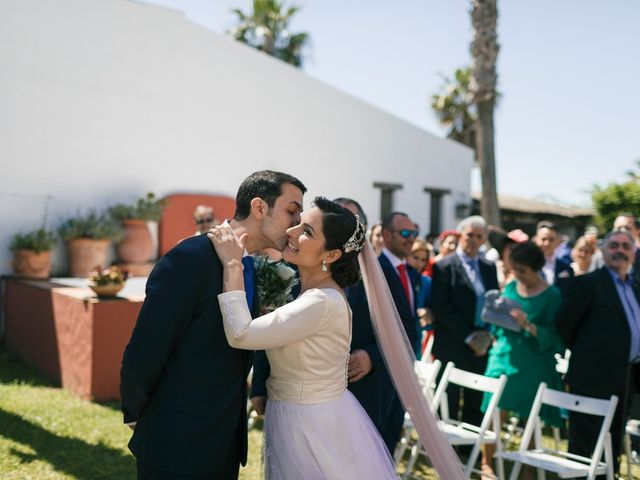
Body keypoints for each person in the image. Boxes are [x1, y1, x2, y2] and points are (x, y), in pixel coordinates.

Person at [119, 170, 306, 480]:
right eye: (292, 211)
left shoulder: (246, 263)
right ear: (260, 208)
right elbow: (145, 351)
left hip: (223, 445)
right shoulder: (189, 259)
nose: (296, 223)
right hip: (175, 444)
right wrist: (141, 417)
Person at [209, 197, 397, 478]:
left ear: (331, 255)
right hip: (296, 414)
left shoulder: (320, 302)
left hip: (311, 424)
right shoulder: (312, 294)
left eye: (306, 231)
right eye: (297, 223)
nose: (291, 232)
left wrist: (233, 264)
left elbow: (241, 334)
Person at [556, 230, 640, 476]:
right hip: (591, 378)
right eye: (614, 245)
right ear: (603, 251)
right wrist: (589, 354)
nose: (620, 250)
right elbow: (563, 322)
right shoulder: (588, 283)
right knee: (585, 445)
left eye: (626, 246)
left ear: (633, 254)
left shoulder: (634, 287)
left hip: (625, 377)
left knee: (613, 441)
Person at [480, 242, 564, 477]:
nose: (518, 275)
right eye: (515, 269)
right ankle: (488, 462)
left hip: (534, 361)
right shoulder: (510, 286)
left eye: (523, 271)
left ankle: (527, 466)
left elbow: (556, 335)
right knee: (494, 409)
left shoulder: (552, 295)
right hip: (504, 356)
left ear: (536, 268)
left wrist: (528, 325)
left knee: (530, 416)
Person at [431, 215, 499, 429]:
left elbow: (493, 302)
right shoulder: (444, 266)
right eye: (469, 235)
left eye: (479, 236)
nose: (473, 240)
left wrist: (487, 335)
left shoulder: (489, 267)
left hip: (481, 344)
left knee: (475, 399)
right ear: (461, 235)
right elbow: (441, 307)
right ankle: (444, 451)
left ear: (483, 240)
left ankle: (469, 451)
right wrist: (469, 337)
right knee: (448, 399)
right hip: (453, 342)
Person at [407, 237, 434, 357]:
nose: (419, 263)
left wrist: (429, 313)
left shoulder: (426, 282)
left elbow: (431, 319)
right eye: (415, 257)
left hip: (415, 341)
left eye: (423, 259)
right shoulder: (396, 277)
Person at [533, 220, 574, 293]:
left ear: (558, 241)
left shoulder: (566, 268)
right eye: (543, 239)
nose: (547, 243)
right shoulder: (528, 265)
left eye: (551, 240)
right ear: (536, 240)